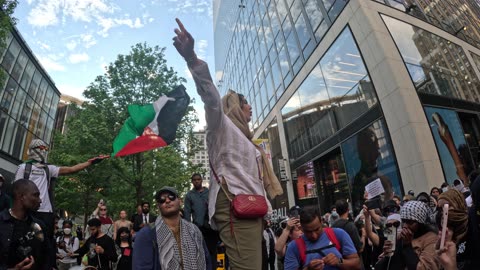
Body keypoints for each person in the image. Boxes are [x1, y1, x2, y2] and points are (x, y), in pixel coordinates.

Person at [172, 18, 283, 270]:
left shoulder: (247, 140)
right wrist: (192, 58)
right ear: (235, 106)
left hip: (251, 208)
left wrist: (264, 213)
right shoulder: (220, 124)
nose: (251, 107)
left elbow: (254, 180)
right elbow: (210, 96)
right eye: (246, 102)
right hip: (234, 205)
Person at [14, 139, 107, 268]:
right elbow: (16, 191)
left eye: (45, 149)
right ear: (33, 149)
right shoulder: (23, 168)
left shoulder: (49, 168)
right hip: (29, 212)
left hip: (46, 213)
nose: (43, 152)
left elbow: (71, 169)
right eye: (41, 148)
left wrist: (90, 162)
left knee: (46, 245)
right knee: (28, 244)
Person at [132, 186, 211, 270]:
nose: (167, 200)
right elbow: (141, 266)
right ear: (158, 206)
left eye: (171, 197)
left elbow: (207, 261)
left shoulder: (194, 230)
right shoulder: (146, 234)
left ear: (180, 201)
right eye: (162, 199)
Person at [284, 207, 360, 270]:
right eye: (308, 232)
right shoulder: (294, 247)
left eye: (317, 229)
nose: (314, 235)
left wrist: (339, 261)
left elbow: (356, 263)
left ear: (321, 222)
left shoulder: (338, 234)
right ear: (301, 228)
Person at [375, 201, 439, 270]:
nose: (405, 226)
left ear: (420, 222)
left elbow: (423, 267)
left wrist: (408, 246)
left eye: (410, 222)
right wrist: (387, 254)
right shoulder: (400, 237)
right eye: (403, 221)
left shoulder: (432, 239)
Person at [0, 179, 49, 270]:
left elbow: (47, 260)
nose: (40, 200)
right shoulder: (1, 223)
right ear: (22, 196)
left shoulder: (40, 226)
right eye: (35, 195)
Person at [183, 173, 218, 270]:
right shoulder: (190, 195)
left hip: (211, 228)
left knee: (212, 252)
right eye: (194, 180)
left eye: (198, 179)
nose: (197, 181)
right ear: (192, 181)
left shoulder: (209, 192)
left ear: (201, 180)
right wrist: (188, 228)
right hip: (198, 228)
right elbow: (187, 212)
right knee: (199, 252)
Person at [435, 189, 473, 270]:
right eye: (441, 208)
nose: (444, 212)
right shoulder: (445, 235)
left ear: (458, 204)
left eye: (447, 206)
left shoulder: (473, 225)